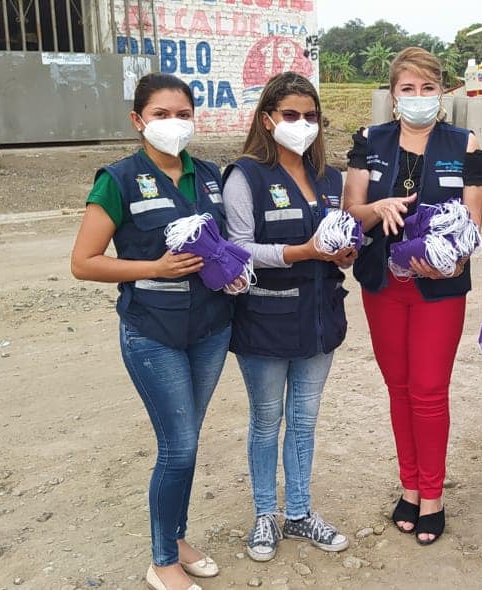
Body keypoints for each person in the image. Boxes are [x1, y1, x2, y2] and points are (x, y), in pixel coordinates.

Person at [70, 72, 240, 590]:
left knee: (186, 441)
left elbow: (225, 244)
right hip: (153, 332)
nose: (174, 124)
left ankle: (177, 537)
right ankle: (163, 561)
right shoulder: (118, 180)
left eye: (183, 114)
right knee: (178, 446)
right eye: (161, 115)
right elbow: (84, 262)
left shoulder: (208, 176)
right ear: (138, 120)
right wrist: (154, 268)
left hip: (210, 328)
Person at [343, 46, 482, 545]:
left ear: (442, 93)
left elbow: (472, 225)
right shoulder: (370, 140)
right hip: (383, 286)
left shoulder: (464, 144)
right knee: (399, 388)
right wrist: (377, 208)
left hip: (438, 289)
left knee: (428, 389)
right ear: (393, 94)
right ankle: (409, 485)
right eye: (408, 88)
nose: (418, 96)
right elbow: (352, 212)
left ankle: (433, 495)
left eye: (428, 87)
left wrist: (453, 259)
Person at [221, 72, 355, 563]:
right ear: (267, 119)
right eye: (291, 115)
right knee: (266, 421)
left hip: (320, 319)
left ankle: (298, 512)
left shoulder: (330, 178)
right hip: (266, 319)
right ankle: (264, 514)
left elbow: (340, 236)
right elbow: (238, 248)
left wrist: (345, 253)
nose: (302, 124)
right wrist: (302, 252)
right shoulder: (246, 176)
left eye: (311, 116)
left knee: (304, 421)